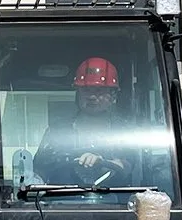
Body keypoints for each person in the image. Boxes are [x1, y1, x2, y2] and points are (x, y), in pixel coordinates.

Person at [31, 56, 134, 186]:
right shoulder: (58, 131)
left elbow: (128, 166)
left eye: (99, 91)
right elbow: (39, 170)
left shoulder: (123, 132)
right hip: (60, 201)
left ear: (113, 95)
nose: (91, 97)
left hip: (116, 202)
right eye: (86, 90)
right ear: (78, 93)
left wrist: (102, 163)